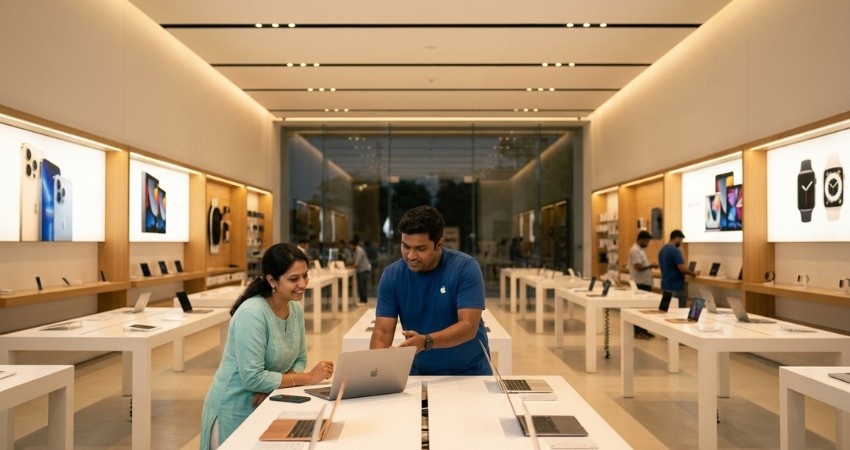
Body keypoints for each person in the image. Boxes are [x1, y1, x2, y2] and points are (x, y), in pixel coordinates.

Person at [200, 243, 335, 449]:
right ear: (272, 280)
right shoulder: (252, 313)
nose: (302, 284)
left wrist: (275, 385)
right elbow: (253, 378)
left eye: (305, 276)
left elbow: (300, 358)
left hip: (269, 404)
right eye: (294, 279)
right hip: (235, 410)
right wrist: (308, 378)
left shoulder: (295, 309)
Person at [370, 205, 492, 375]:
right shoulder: (392, 276)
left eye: (420, 249)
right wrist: (375, 374)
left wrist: (426, 342)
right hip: (420, 372)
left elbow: (468, 326)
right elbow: (382, 333)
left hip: (470, 373)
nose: (411, 256)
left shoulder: (465, 267)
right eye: (405, 246)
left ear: (439, 244)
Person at [658, 229, 700, 308]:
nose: (681, 243)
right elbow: (682, 268)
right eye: (681, 240)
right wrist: (693, 273)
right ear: (677, 238)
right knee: (679, 312)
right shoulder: (675, 250)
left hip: (665, 286)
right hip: (675, 287)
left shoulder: (662, 250)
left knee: (667, 310)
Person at [628, 231, 658, 339]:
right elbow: (638, 267)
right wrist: (651, 266)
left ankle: (644, 330)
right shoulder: (635, 250)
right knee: (639, 308)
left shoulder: (640, 250)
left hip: (644, 282)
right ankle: (639, 332)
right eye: (646, 241)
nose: (647, 244)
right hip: (639, 283)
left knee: (645, 308)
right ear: (640, 239)